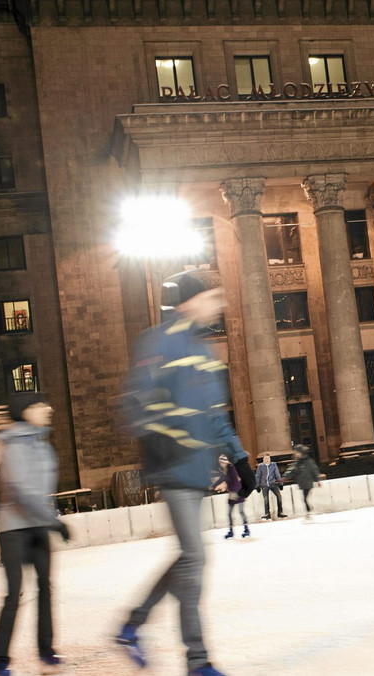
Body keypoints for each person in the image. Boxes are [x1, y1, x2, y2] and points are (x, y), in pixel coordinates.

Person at [116, 270, 254, 676]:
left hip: (198, 470)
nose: (220, 303)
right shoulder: (158, 340)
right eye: (214, 296)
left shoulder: (203, 352)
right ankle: (197, 661)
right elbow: (136, 400)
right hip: (172, 465)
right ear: (191, 301)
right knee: (194, 558)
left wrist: (241, 460)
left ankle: (131, 626)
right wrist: (158, 436)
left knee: (188, 561)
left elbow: (214, 418)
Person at [0, 392, 69, 676]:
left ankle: (46, 649)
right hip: (14, 528)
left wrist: (50, 516)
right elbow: (21, 490)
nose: (47, 409)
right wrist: (54, 520)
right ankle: (0, 658)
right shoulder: (14, 445)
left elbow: (42, 489)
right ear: (24, 411)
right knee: (14, 593)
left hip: (38, 525)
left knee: (46, 587)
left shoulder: (42, 445)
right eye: (39, 405)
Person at [214, 456, 250, 539]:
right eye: (220, 462)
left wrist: (235, 493)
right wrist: (213, 486)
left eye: (222, 462)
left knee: (241, 511)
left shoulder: (232, 469)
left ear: (226, 462)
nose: (221, 463)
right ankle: (231, 531)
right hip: (232, 494)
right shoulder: (223, 470)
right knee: (229, 513)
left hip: (238, 492)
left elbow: (236, 482)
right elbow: (222, 479)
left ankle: (246, 529)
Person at [285, 445, 321, 520]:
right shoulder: (298, 462)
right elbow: (292, 470)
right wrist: (286, 477)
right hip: (302, 483)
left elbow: (314, 470)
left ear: (301, 453)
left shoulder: (308, 461)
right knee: (304, 498)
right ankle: (309, 512)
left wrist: (317, 480)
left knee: (304, 498)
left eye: (297, 452)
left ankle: (309, 512)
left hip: (307, 482)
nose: (296, 454)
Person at [255, 454, 286, 520]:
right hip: (264, 485)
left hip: (272, 484)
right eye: (265, 458)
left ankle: (280, 512)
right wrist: (257, 486)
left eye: (268, 458)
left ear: (270, 459)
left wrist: (280, 483)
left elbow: (277, 474)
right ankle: (267, 514)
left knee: (279, 496)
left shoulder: (273, 465)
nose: (267, 460)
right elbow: (258, 476)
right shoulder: (260, 466)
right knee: (266, 499)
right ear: (263, 459)